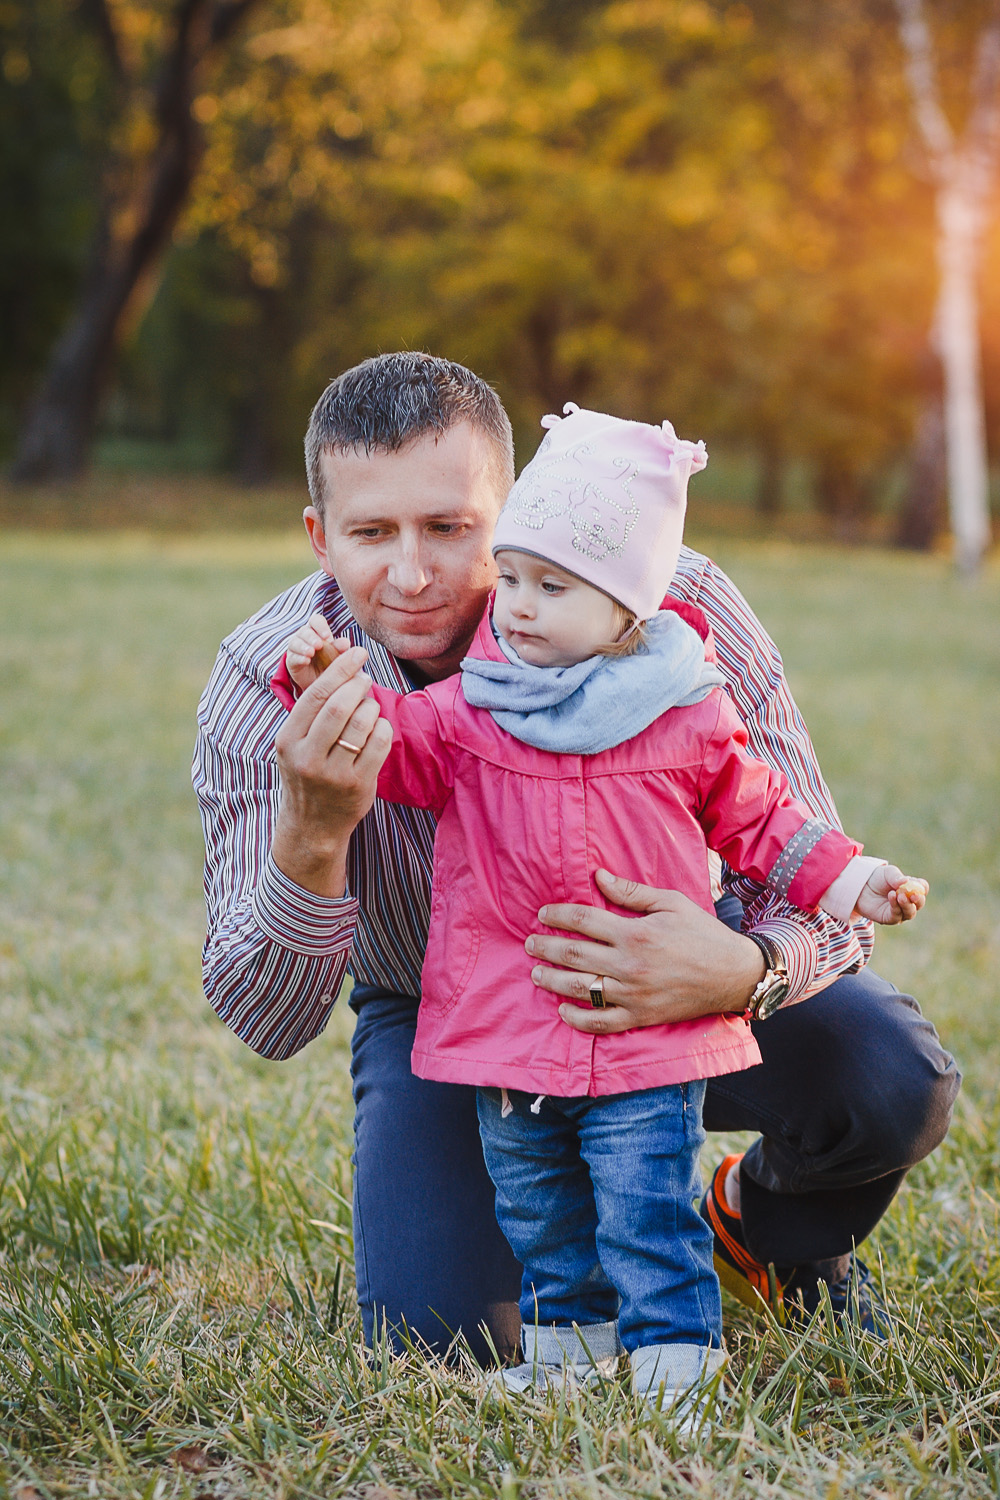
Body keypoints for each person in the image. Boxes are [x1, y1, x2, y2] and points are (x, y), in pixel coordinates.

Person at [193, 351, 959, 1369]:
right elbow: (268, 1019)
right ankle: (575, 1283)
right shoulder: (267, 682)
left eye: (452, 528)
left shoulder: (670, 613)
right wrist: (315, 829)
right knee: (442, 1342)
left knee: (886, 1074)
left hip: (683, 984)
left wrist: (744, 967)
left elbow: (811, 865)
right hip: (453, 1018)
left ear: (514, 507)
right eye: (372, 533)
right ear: (318, 535)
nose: (412, 573)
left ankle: (763, 1234)